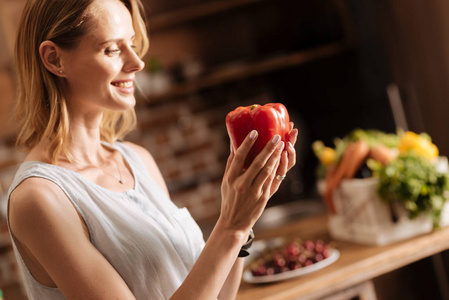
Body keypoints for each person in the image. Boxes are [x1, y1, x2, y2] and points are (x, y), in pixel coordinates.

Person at [7, 0, 298, 299]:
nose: (137, 62)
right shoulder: (39, 199)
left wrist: (241, 223)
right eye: (112, 49)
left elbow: (218, 296)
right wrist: (230, 228)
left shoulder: (137, 161)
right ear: (55, 59)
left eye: (131, 44)